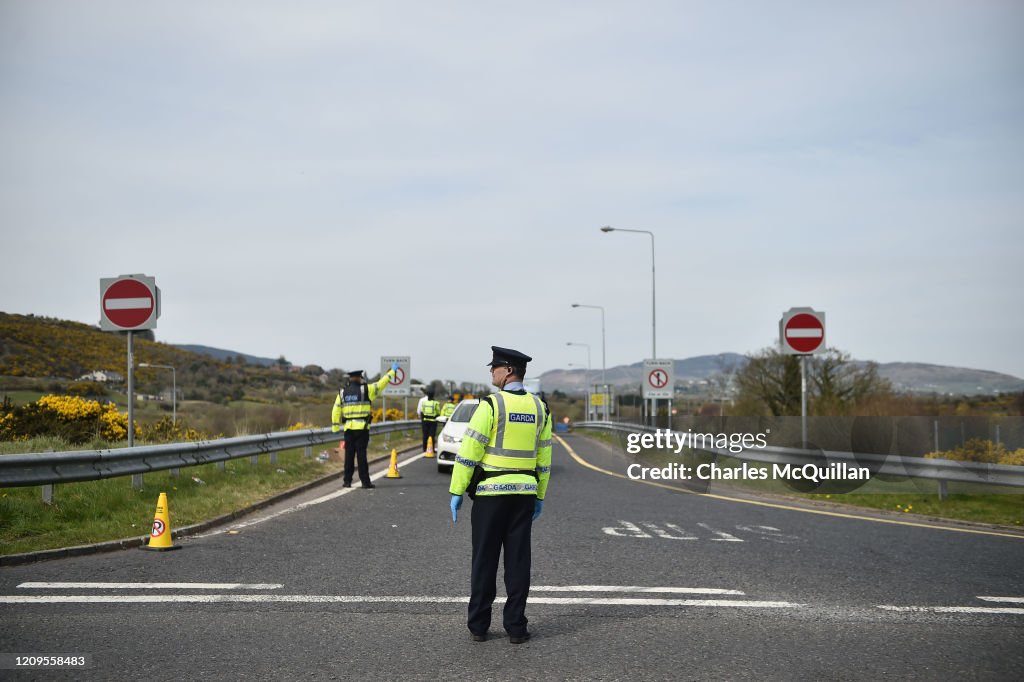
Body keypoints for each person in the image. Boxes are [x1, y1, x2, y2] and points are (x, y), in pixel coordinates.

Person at [448, 346, 552, 644]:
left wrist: (457, 490)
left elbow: (469, 453)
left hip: (490, 496)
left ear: (508, 371)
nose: (491, 371)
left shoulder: (491, 406)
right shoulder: (539, 408)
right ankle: (516, 627)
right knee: (518, 563)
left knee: (484, 560)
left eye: (494, 367)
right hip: (524, 497)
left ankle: (479, 626)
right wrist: (540, 496)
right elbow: (543, 459)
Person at [332, 363, 399, 489]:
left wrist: (335, 426)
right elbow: (382, 383)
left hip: (348, 429)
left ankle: (347, 481)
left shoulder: (342, 392)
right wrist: (392, 372)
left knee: (349, 456)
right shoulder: (366, 390)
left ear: (350, 378)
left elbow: (336, 409)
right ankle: (365, 482)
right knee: (361, 456)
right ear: (359, 377)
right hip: (362, 429)